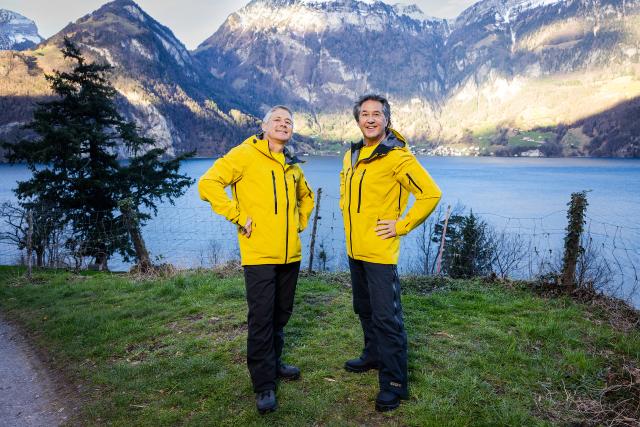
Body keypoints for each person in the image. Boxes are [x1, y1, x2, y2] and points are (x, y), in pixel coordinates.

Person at [198, 105, 314, 415]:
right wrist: (237, 215)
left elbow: (307, 196)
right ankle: (264, 384)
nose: (283, 124)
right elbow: (207, 184)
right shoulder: (244, 155)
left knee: (280, 315)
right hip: (259, 254)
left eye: (288, 121)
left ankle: (274, 363)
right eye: (277, 120)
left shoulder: (291, 163)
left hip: (291, 255)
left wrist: (299, 222)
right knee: (261, 319)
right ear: (264, 126)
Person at [340, 94, 442, 412]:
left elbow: (430, 194)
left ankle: (394, 383)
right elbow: (347, 195)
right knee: (364, 308)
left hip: (380, 254)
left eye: (377, 114)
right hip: (355, 250)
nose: (370, 119)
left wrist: (401, 225)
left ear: (387, 119)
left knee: (387, 318)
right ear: (358, 119)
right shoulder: (352, 154)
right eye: (365, 114)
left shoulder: (398, 157)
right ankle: (372, 355)